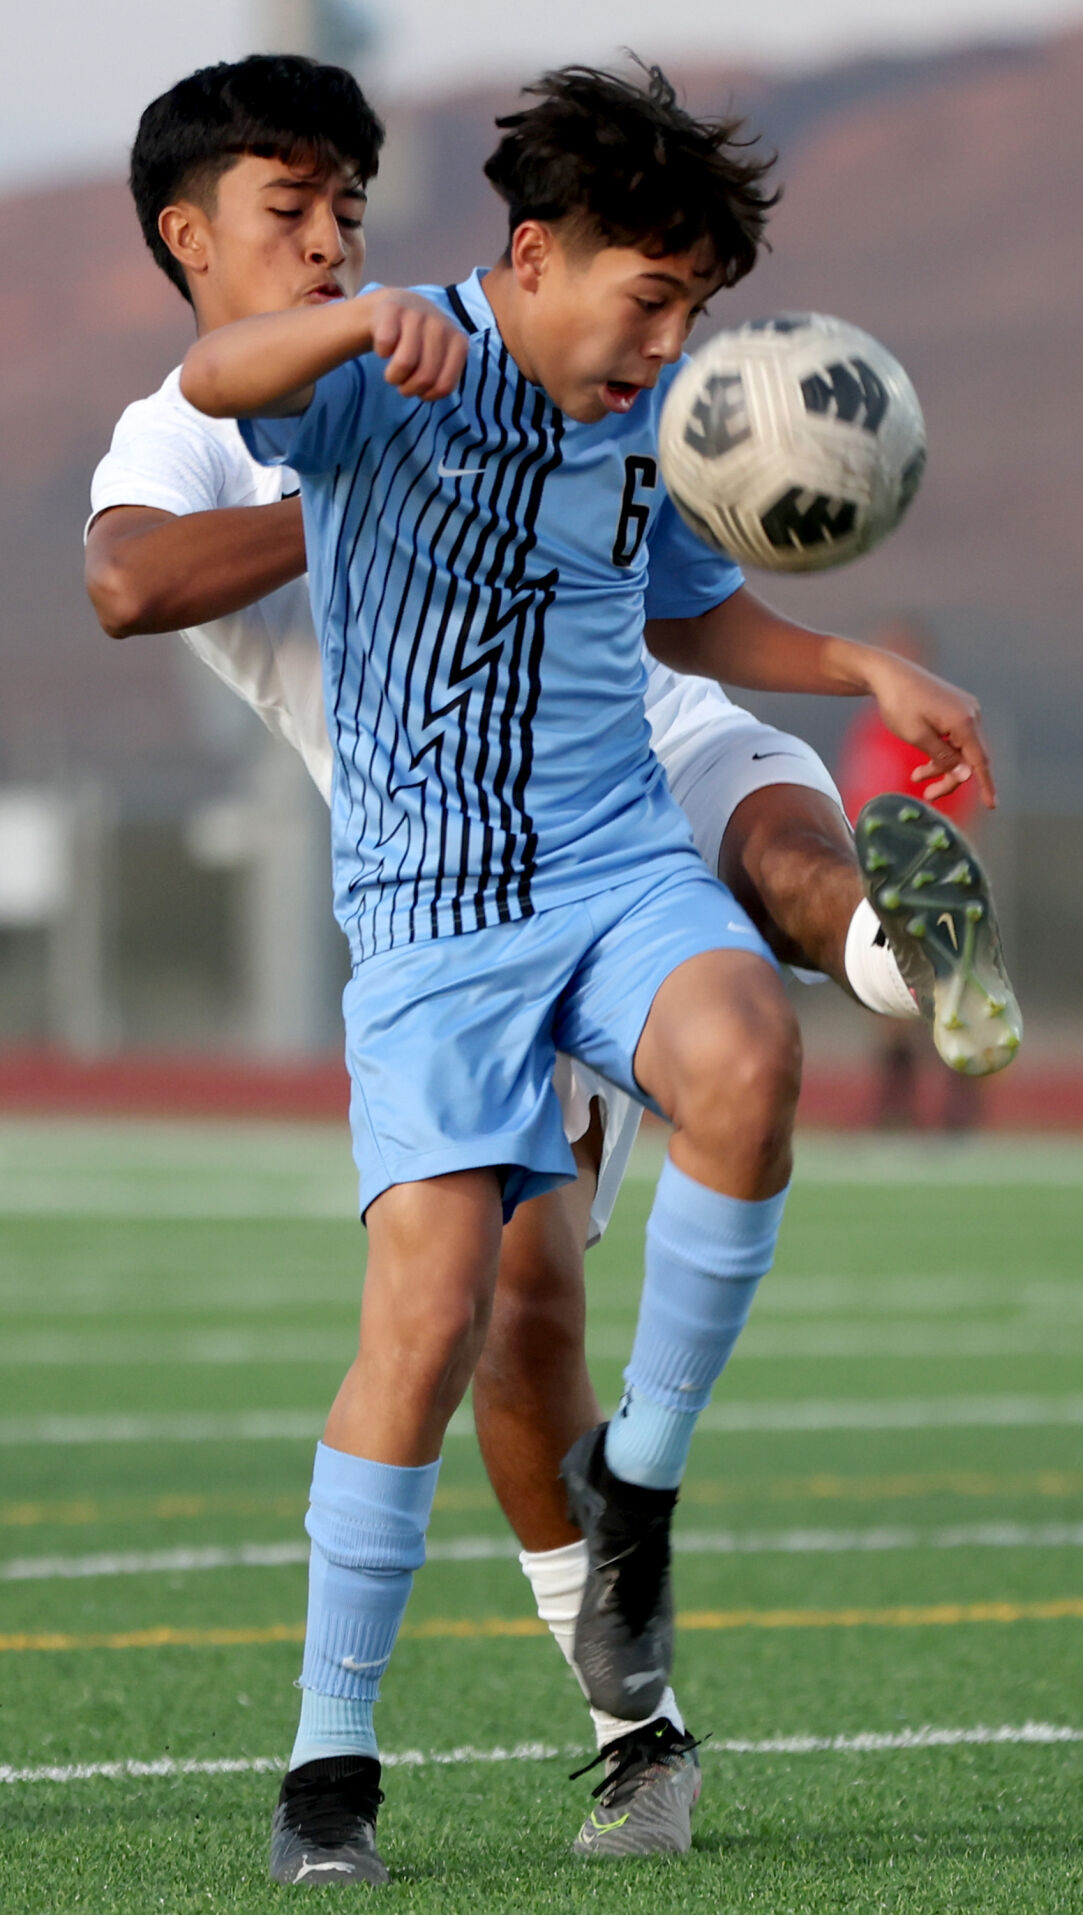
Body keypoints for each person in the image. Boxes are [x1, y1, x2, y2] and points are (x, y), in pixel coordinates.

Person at [90, 57, 1020, 1882]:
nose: (333, 235)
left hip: (617, 795)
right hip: (434, 897)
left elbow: (682, 592)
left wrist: (856, 669)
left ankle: (877, 980)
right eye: (293, 212)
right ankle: (363, 1765)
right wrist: (377, 441)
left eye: (349, 207)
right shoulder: (336, 376)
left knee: (754, 1005)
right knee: (473, 1327)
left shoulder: (620, 390)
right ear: (191, 234)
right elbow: (154, 527)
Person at [836, 616, 985, 1129]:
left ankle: (959, 1113)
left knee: (947, 997)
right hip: (879, 882)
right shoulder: (870, 731)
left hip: (926, 879)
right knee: (889, 1002)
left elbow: (958, 811)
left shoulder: (934, 730)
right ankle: (894, 1110)